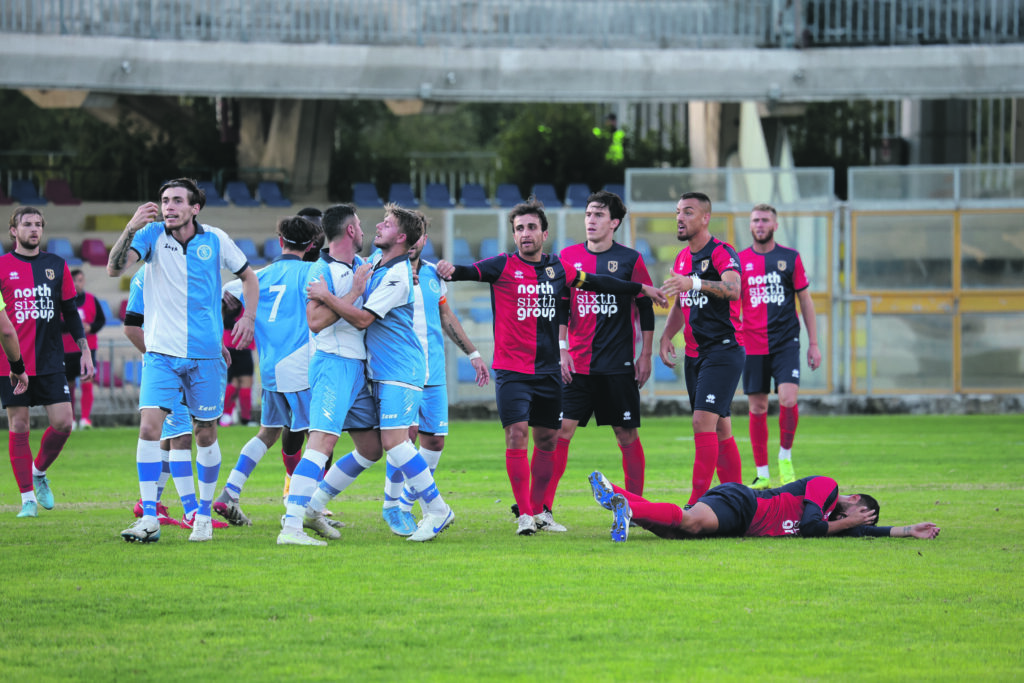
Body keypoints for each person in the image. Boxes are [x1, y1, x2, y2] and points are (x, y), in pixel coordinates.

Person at [436, 199, 666, 536]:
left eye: (531, 227)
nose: (525, 234)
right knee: (517, 435)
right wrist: (444, 268)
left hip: (550, 373)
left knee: (547, 439)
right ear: (513, 235)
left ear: (544, 233)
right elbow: (465, 271)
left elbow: (600, 283)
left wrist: (640, 287)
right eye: (519, 229)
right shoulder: (501, 265)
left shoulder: (559, 270)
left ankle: (543, 510)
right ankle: (526, 514)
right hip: (513, 370)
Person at [107, 178, 259, 543]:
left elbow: (249, 278)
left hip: (206, 355)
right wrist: (130, 227)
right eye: (164, 200)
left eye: (177, 200)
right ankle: (149, 517)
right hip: (161, 354)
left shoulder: (216, 239)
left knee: (205, 433)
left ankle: (202, 515)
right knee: (149, 428)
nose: (169, 207)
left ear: (195, 208)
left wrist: (248, 317)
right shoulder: (150, 236)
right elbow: (114, 269)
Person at [300, 204, 456, 543]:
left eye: (386, 224)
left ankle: (437, 509)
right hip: (381, 371)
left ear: (401, 237)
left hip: (401, 369)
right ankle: (313, 506)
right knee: (372, 448)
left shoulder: (399, 276)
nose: (378, 226)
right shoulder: (374, 263)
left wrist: (326, 295)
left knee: (395, 444)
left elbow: (362, 319)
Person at [544, 190, 655, 530]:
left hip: (618, 365)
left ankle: (635, 507)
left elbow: (646, 306)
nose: (590, 220)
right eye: (589, 214)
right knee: (560, 432)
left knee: (626, 433)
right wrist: (561, 347)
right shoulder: (568, 256)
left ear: (614, 223)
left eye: (598, 215)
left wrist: (645, 354)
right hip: (577, 364)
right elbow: (561, 304)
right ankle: (543, 509)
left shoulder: (630, 259)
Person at [212, 215, 326, 527]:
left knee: (268, 432)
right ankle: (303, 509)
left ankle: (230, 493)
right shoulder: (312, 272)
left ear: (280, 242)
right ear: (312, 245)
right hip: (300, 367)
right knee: (319, 438)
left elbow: (227, 291)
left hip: (272, 368)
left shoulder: (259, 276)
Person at [381, 217, 489, 536]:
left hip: (434, 371)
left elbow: (445, 316)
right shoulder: (384, 271)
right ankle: (397, 506)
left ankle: (407, 502)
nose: (413, 242)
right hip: (401, 370)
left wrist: (473, 353)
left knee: (434, 440)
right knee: (405, 435)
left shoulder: (432, 275)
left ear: (424, 240)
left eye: (419, 237)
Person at [1, 207, 93, 518]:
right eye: (27, 224)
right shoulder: (1, 267)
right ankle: (27, 499)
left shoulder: (57, 265)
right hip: (11, 364)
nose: (33, 229)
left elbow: (71, 313)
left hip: (51, 360)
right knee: (19, 425)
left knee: (64, 423)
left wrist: (85, 351)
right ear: (14, 230)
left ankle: (39, 472)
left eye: (38, 224)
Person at [123, 264, 229, 530]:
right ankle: (191, 512)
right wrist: (161, 362)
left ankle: (152, 504)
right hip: (168, 367)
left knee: (173, 436)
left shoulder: (180, 272)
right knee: (180, 435)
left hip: (189, 362)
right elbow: (131, 327)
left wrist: (216, 345)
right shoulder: (145, 275)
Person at [658, 191, 745, 508]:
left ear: (706, 218)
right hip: (695, 356)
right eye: (678, 212)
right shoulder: (682, 258)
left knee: (701, 423)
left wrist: (693, 283)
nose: (680, 217)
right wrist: (667, 335)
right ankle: (738, 500)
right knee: (721, 427)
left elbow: (734, 289)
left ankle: (696, 505)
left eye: (688, 212)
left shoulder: (722, 252)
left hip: (722, 352)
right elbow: (682, 303)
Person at [587, 470, 941, 542]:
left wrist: (908, 530)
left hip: (741, 523)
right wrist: (847, 523)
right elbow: (811, 527)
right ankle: (628, 509)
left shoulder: (836, 520)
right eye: (858, 514)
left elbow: (863, 531)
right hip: (744, 503)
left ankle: (617, 495)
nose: (854, 521)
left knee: (672, 531)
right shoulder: (826, 487)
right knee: (691, 522)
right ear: (852, 500)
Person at [739, 204, 821, 488]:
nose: (759, 224)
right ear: (750, 226)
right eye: (755, 220)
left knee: (788, 398)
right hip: (752, 344)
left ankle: (785, 457)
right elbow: (732, 303)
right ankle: (762, 474)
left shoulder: (790, 258)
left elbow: (806, 301)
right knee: (758, 407)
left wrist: (814, 343)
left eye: (764, 220)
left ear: (775, 225)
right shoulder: (740, 261)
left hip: (786, 342)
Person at [61, 269, 105, 430]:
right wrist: (75, 327)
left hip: (87, 348)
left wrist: (90, 327)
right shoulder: (61, 301)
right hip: (66, 349)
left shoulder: (92, 300)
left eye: (80, 280)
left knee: (87, 382)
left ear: (84, 281)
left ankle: (85, 419)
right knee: (69, 385)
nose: (77, 284)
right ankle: (71, 419)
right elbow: (56, 324)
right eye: (74, 281)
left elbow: (101, 320)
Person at [219, 306, 255, 427]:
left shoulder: (248, 302)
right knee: (233, 384)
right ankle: (227, 415)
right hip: (230, 348)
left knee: (243, 384)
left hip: (243, 348)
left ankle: (244, 418)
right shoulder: (226, 303)